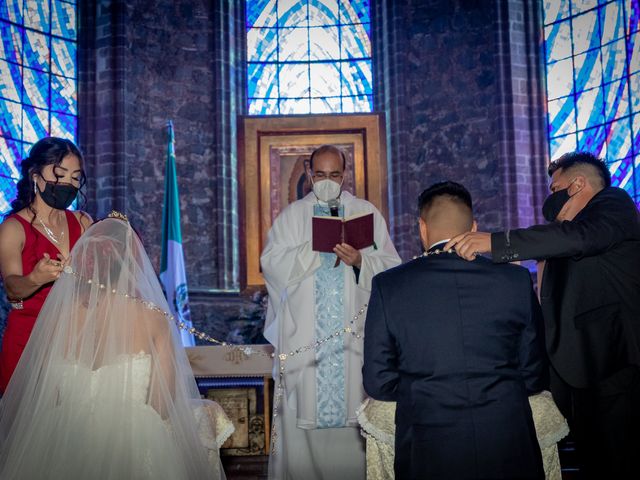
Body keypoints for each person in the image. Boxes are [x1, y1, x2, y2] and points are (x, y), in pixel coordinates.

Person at [445, 152, 640, 478]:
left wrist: (494, 242)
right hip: (578, 371)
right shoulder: (569, 232)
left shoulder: (613, 203)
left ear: (578, 185)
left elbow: (579, 239)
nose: (550, 199)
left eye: (555, 188)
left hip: (614, 367)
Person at [0, 215, 233, 479]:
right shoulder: (152, 318)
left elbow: (47, 394)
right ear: (132, 263)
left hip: (62, 436)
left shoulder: (56, 318)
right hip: (137, 438)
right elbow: (162, 402)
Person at [363, 181, 547, 479]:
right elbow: (534, 373)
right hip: (507, 441)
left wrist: (421, 391)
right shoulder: (514, 281)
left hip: (428, 445)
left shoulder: (390, 286)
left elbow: (378, 381)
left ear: (421, 229)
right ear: (474, 227)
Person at [261, 145, 401, 479]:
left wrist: (360, 261)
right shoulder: (293, 216)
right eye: (320, 174)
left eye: (334, 174)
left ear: (345, 174)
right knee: (304, 430)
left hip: (353, 346)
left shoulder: (365, 213)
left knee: (354, 426)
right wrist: (313, 248)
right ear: (309, 173)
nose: (327, 181)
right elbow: (271, 265)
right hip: (306, 346)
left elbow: (391, 268)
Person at [0, 137, 93, 392]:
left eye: (75, 178)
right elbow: (12, 288)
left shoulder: (83, 222)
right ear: (35, 174)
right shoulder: (12, 228)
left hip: (75, 342)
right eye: (60, 174)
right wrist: (35, 278)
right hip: (28, 343)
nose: (67, 184)